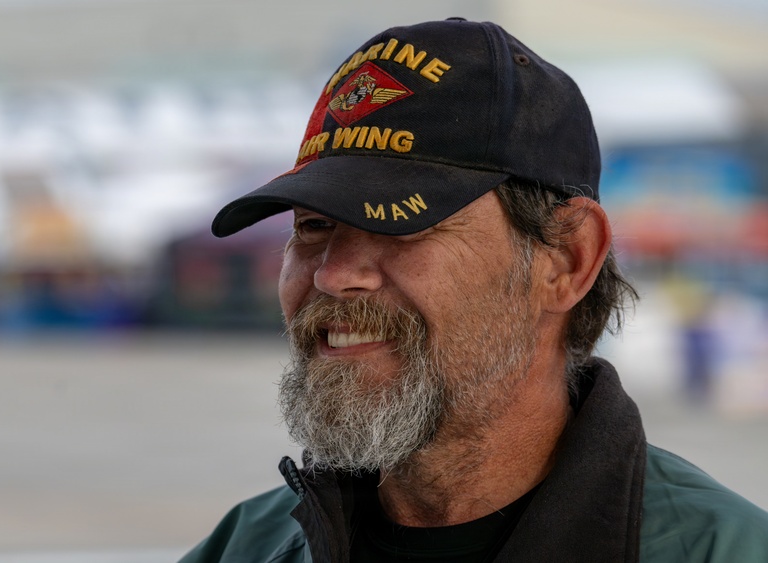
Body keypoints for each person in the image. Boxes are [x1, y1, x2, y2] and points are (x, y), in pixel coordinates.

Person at [181, 18, 768, 562]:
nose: (334, 275)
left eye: (399, 222)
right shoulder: (244, 549)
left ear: (566, 260)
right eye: (313, 227)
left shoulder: (722, 550)